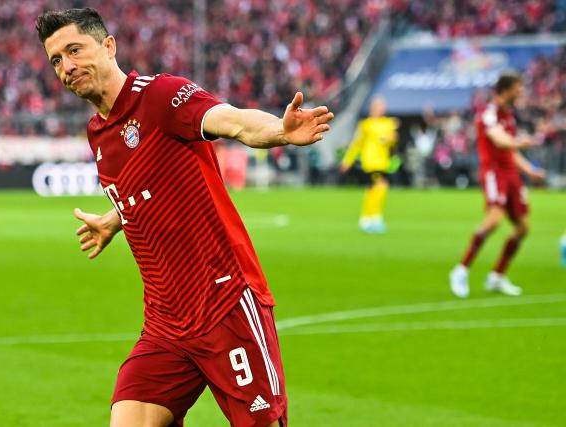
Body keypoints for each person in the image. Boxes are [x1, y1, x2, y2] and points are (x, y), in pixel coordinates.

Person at [36, 8, 334, 427]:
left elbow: (232, 121)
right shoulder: (98, 132)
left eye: (74, 50)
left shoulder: (161, 96)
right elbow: (149, 183)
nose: (66, 67)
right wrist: (115, 218)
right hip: (165, 321)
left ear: (108, 46)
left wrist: (280, 131)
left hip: (224, 304)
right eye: (56, 60)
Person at [449, 73, 546, 298]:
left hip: (511, 174)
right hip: (494, 172)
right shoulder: (489, 113)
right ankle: (461, 269)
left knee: (523, 227)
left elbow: (510, 150)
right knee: (494, 220)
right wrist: (518, 142)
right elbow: (498, 139)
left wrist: (530, 171)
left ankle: (497, 276)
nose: (521, 92)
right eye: (518, 88)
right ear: (505, 89)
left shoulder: (509, 115)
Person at [339, 96, 399, 234]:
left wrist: (393, 138)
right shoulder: (365, 125)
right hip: (371, 162)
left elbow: (392, 142)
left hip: (383, 162)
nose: (381, 109)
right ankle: (371, 218)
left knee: (375, 189)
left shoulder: (388, 123)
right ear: (373, 108)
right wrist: (347, 161)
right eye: (378, 107)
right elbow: (356, 144)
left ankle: (370, 218)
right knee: (380, 187)